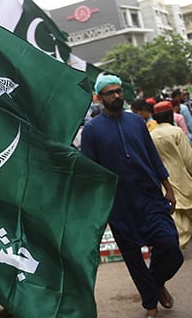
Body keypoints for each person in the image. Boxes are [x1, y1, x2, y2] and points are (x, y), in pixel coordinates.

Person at [80, 74, 183, 318]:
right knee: (133, 258)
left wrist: (167, 186)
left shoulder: (136, 122)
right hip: (119, 204)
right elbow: (91, 172)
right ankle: (150, 303)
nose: (117, 96)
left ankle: (156, 282)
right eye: (110, 93)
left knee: (170, 247)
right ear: (99, 98)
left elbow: (152, 155)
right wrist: (97, 209)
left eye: (119, 91)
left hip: (150, 197)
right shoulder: (92, 130)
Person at [150, 101, 192, 249]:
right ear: (170, 116)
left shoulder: (151, 135)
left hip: (164, 183)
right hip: (182, 179)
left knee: (176, 217)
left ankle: (176, 245)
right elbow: (188, 159)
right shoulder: (176, 132)